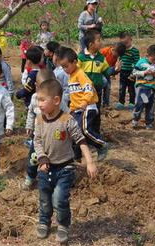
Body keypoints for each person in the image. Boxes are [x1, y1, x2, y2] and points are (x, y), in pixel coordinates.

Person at [34, 79, 98, 244]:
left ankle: (63, 225)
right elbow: (37, 141)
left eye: (42, 100)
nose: (39, 104)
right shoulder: (39, 120)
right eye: (38, 99)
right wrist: (41, 157)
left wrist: (89, 162)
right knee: (44, 198)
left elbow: (81, 140)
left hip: (65, 168)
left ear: (56, 100)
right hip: (45, 167)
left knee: (59, 198)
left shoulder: (67, 120)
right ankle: (44, 221)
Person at [22, 69, 70, 191]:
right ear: (36, 87)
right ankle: (30, 176)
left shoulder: (58, 100)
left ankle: (55, 178)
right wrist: (29, 126)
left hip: (54, 136)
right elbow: (31, 113)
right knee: (33, 158)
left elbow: (66, 115)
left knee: (54, 158)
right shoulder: (34, 99)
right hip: (38, 137)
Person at [59, 48, 108, 161]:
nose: (65, 69)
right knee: (74, 132)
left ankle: (101, 145)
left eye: (66, 66)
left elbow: (89, 88)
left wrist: (85, 101)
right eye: (63, 67)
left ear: (75, 62)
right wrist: (71, 109)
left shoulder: (80, 74)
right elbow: (74, 96)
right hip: (77, 109)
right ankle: (76, 158)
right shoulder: (71, 76)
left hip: (88, 107)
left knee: (84, 130)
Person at [77, 30, 110, 128]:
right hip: (84, 91)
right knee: (84, 112)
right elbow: (76, 73)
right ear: (91, 44)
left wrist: (115, 70)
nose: (101, 43)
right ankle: (84, 132)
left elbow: (106, 71)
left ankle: (96, 134)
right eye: (98, 40)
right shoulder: (81, 57)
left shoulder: (101, 58)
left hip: (97, 90)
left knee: (96, 112)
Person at [131, 45, 155, 129]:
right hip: (142, 87)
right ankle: (135, 119)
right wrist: (144, 72)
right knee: (140, 103)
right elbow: (134, 73)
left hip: (151, 88)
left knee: (151, 105)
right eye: (153, 59)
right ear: (148, 55)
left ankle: (149, 122)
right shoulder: (141, 62)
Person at [115, 32, 140, 110]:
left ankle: (132, 103)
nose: (125, 45)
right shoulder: (121, 50)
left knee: (131, 88)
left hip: (131, 74)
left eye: (126, 42)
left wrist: (133, 73)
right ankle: (121, 102)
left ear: (131, 40)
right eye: (123, 43)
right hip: (123, 72)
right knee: (122, 88)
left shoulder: (135, 51)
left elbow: (136, 63)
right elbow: (119, 59)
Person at [100, 42, 126, 108]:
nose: (117, 57)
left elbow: (112, 68)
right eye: (117, 55)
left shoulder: (115, 56)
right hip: (99, 71)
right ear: (113, 49)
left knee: (108, 87)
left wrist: (116, 71)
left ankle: (106, 104)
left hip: (107, 72)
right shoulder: (104, 51)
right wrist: (114, 69)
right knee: (103, 84)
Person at [53, 46, 70, 110]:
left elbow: (66, 89)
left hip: (62, 102)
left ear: (56, 56)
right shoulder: (57, 70)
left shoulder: (61, 72)